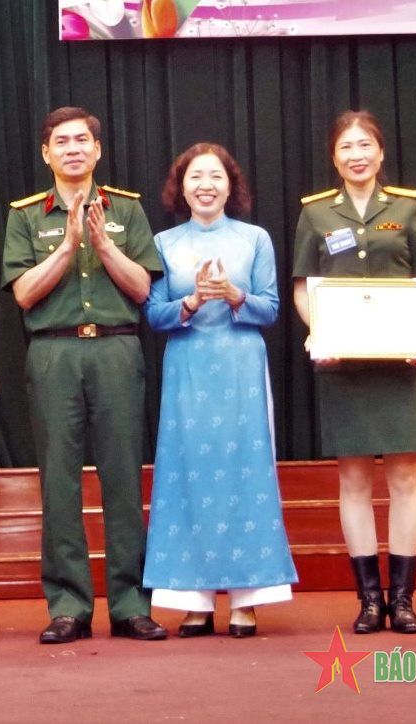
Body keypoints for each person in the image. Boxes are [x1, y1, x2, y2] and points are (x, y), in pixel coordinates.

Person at [1, 106, 167, 643]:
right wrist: (69, 246)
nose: (73, 149)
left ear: (98, 150)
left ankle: (129, 604)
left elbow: (142, 289)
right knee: (59, 481)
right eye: (61, 142)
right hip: (53, 353)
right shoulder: (27, 215)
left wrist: (102, 244)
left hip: (117, 351)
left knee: (123, 478)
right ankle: (69, 604)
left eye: (82, 141)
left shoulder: (128, 211)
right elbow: (23, 294)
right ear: (45, 154)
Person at [292, 110, 416, 635]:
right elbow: (303, 288)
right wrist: (321, 335)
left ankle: (403, 600)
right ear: (334, 158)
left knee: (405, 477)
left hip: (401, 363)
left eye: (365, 145)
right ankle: (369, 601)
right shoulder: (315, 215)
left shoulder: (408, 206)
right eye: (346, 148)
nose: (356, 155)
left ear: (380, 152)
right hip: (343, 364)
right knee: (353, 480)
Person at [141, 143, 297, 638]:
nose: (205, 185)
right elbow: (153, 314)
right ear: (180, 187)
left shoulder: (255, 239)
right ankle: (194, 601)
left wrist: (235, 296)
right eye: (195, 176)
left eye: (215, 176)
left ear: (231, 185)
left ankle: (246, 601)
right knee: (187, 476)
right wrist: (188, 303)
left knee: (244, 474)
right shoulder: (163, 242)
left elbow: (271, 309)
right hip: (188, 367)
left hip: (240, 367)